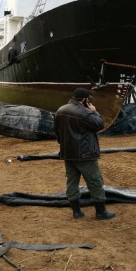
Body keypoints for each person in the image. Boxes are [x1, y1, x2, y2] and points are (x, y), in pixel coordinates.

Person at [54, 88, 115, 220]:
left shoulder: (60, 110)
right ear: (85, 99)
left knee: (72, 182)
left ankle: (76, 212)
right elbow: (99, 125)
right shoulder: (85, 113)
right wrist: (94, 111)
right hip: (85, 154)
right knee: (95, 182)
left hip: (68, 154)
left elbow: (57, 132)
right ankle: (101, 212)